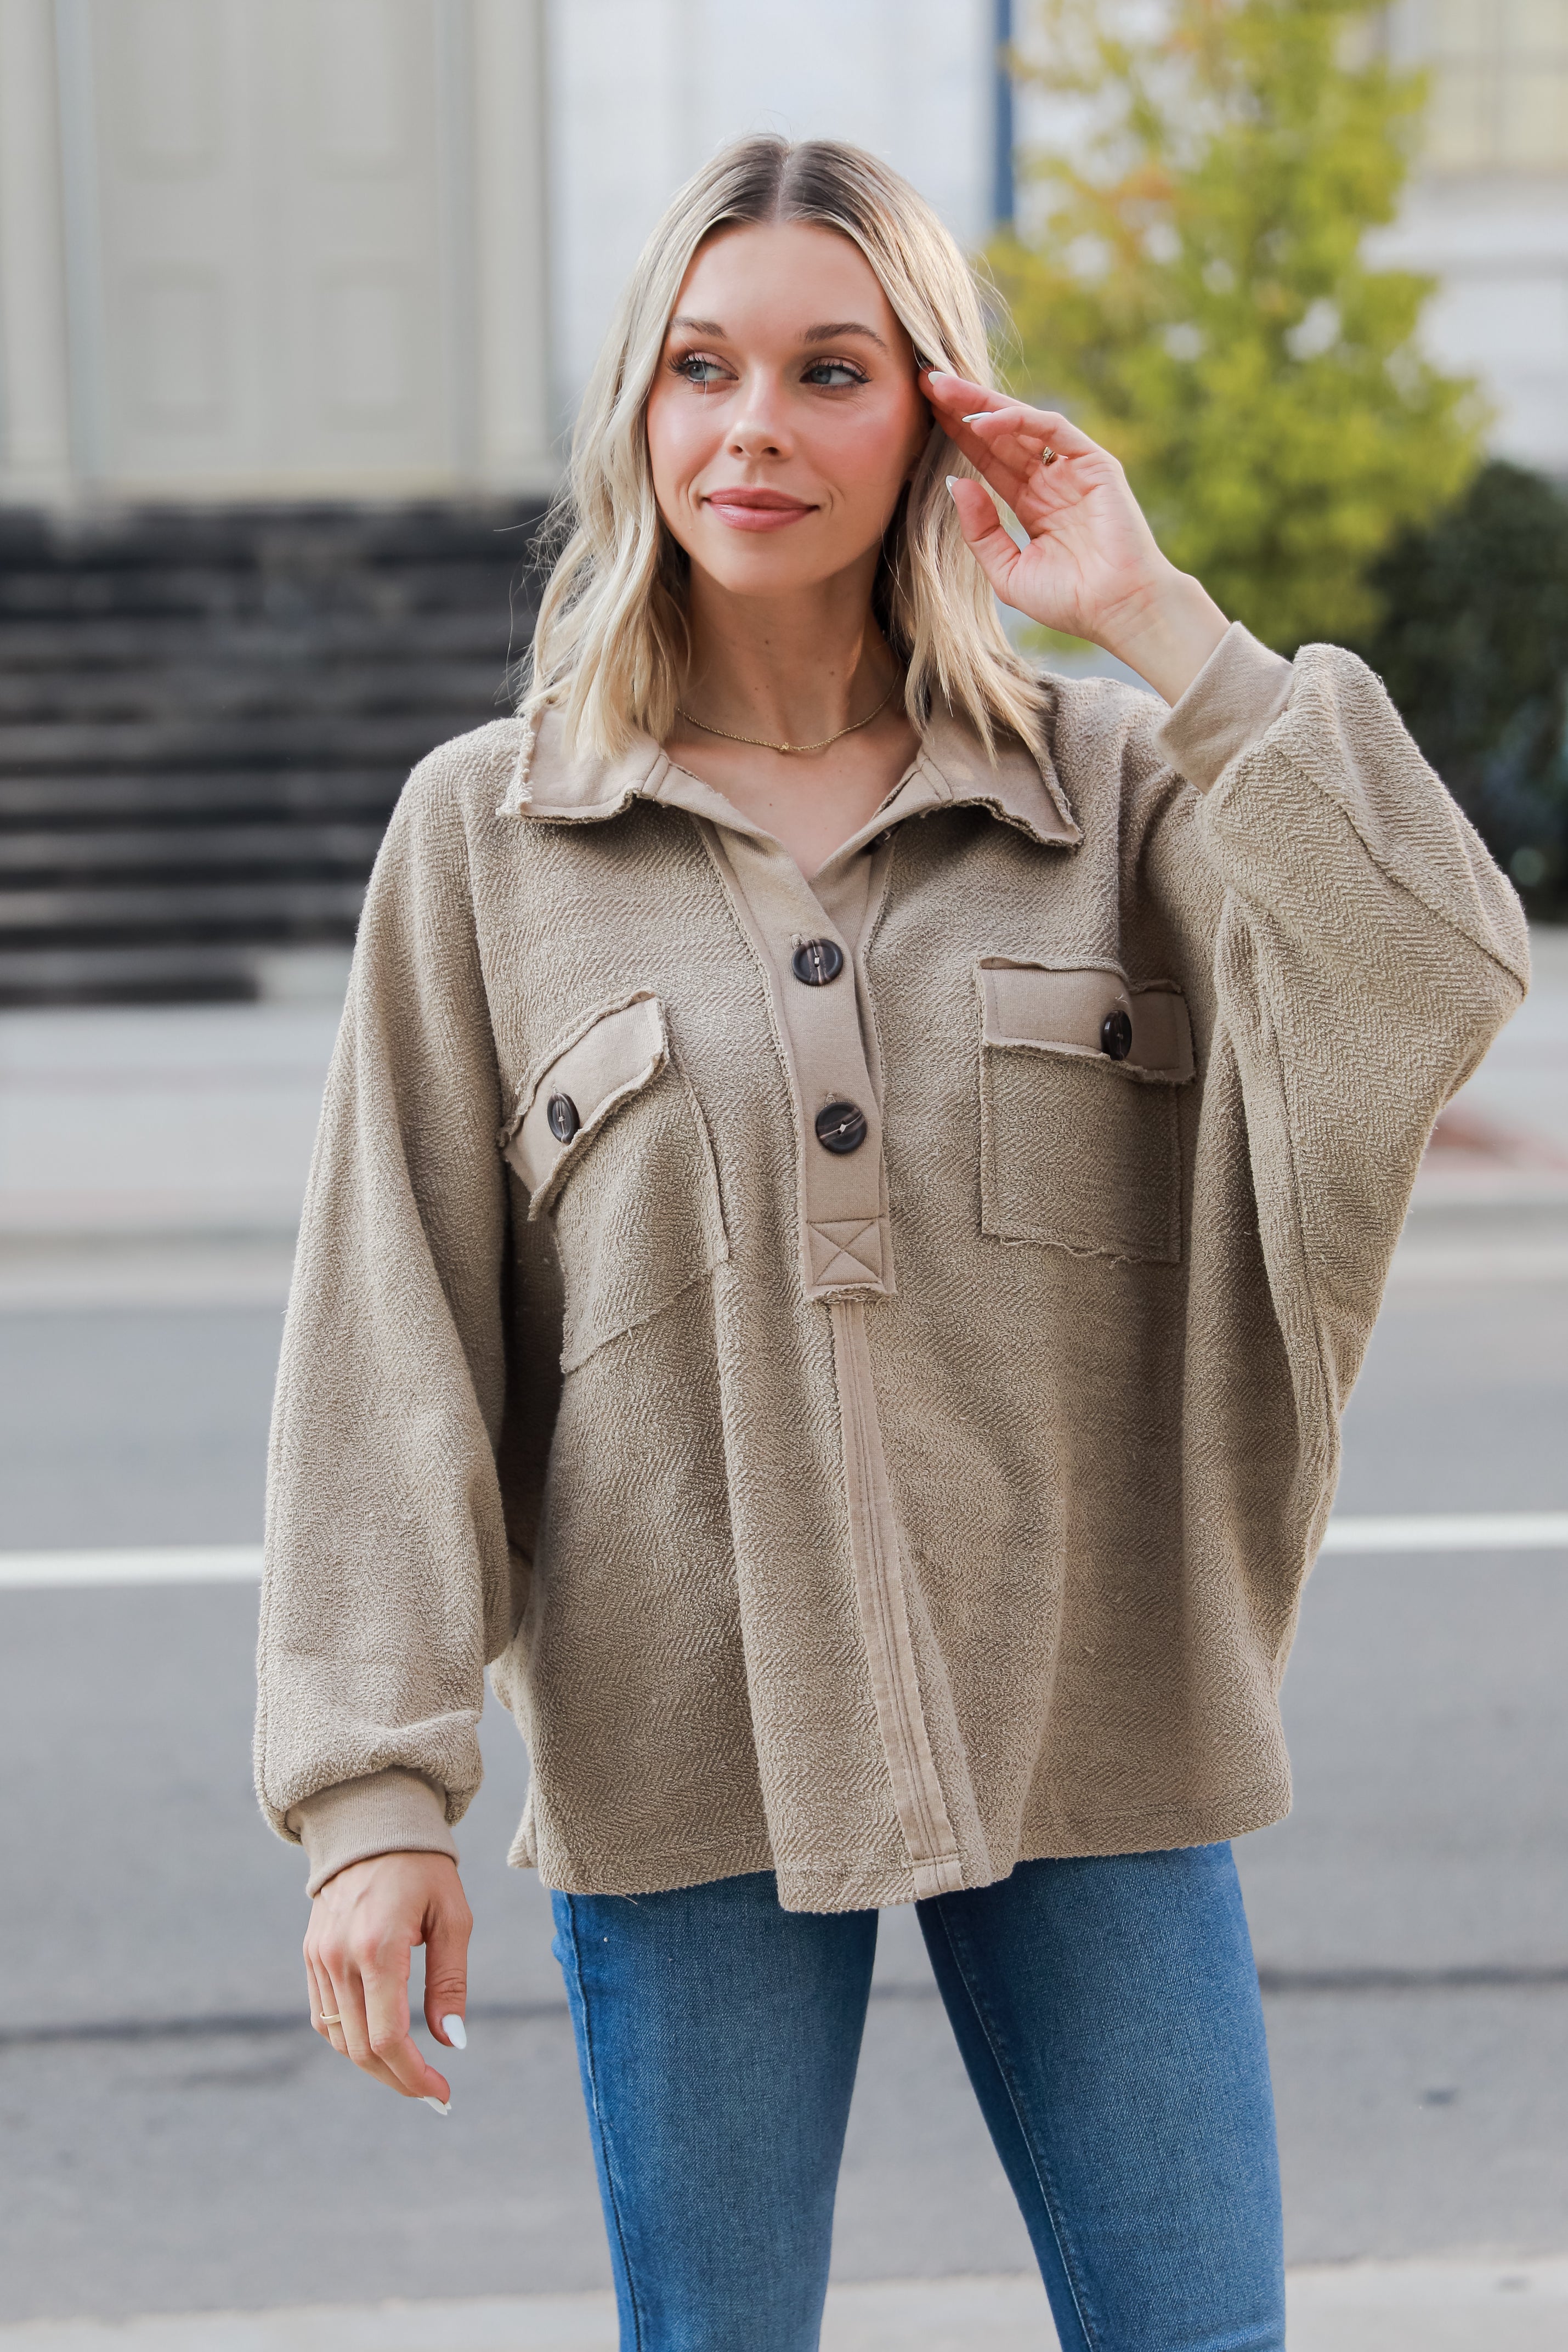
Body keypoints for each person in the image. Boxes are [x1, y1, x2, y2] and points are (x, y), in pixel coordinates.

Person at [255, 135, 1527, 2352]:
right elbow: (391, 1338)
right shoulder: (491, 833)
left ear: (932, 411)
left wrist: (1150, 613)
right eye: (700, 366)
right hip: (689, 1745)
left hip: (1098, 1717)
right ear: (639, 416)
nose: (753, 426)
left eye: (830, 368)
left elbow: (1431, 964)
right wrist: (375, 1798)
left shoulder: (1118, 790)